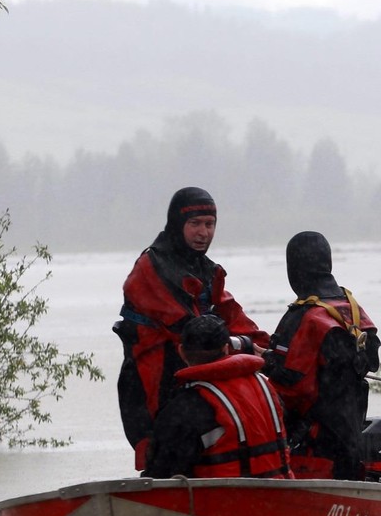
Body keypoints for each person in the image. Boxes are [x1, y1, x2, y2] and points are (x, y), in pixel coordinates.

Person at [115, 187, 269, 470]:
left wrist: (269, 346)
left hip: (191, 373)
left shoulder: (206, 269)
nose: (203, 233)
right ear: (177, 223)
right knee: (162, 452)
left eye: (209, 225)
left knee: (196, 451)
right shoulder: (150, 267)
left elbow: (230, 313)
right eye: (194, 224)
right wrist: (243, 346)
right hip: (152, 380)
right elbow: (192, 331)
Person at [262, 231, 381, 480]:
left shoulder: (303, 316)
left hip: (312, 449)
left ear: (293, 268)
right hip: (349, 439)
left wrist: (265, 365)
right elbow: (371, 359)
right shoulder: (351, 307)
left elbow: (289, 389)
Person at [144, 314, 292, 479]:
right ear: (226, 348)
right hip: (281, 495)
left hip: (224, 500)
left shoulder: (186, 407)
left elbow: (161, 473)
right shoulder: (266, 387)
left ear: (181, 352)